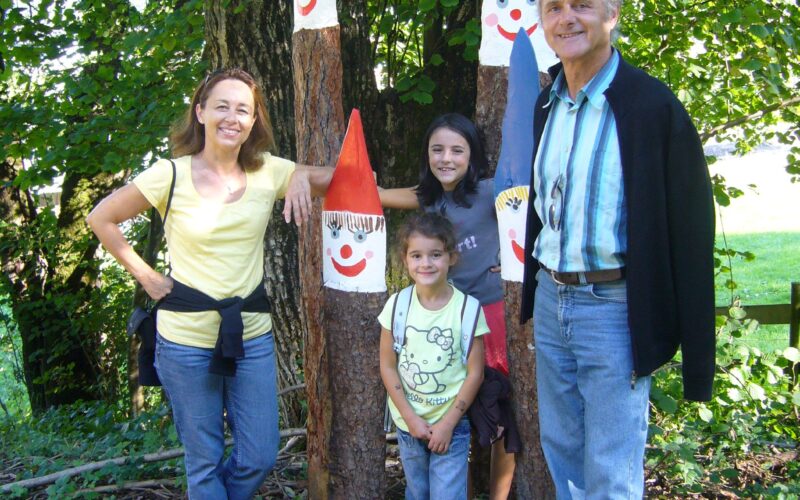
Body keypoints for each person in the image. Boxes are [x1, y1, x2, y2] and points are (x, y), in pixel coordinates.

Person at [87, 68, 332, 499]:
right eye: (222, 106)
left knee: (259, 455)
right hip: (184, 341)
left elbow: (340, 178)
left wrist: (300, 173)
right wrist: (145, 274)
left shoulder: (269, 170)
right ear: (200, 112)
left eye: (243, 109)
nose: (232, 117)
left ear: (254, 121)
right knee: (204, 462)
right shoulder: (170, 174)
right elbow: (100, 218)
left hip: (251, 337)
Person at [520, 0, 716, 497]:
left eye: (582, 5)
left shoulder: (651, 106)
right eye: (553, 8)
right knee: (560, 447)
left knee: (610, 465)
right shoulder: (547, 104)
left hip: (613, 308)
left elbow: (690, 228)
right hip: (550, 296)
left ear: (613, 13)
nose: (566, 18)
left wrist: (695, 348)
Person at [380, 113, 517, 498]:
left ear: (472, 156)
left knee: (499, 412)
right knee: (453, 412)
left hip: (488, 314)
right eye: (437, 149)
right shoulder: (428, 199)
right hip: (443, 319)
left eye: (457, 150)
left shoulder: (492, 190)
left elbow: (535, 204)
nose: (446, 158)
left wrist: (517, 260)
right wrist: (303, 176)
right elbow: (372, 193)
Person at [379, 212, 487, 499]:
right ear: (405, 260)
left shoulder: (468, 310)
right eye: (416, 255)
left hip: (452, 424)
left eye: (435, 254)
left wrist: (448, 424)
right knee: (418, 492)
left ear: (451, 257)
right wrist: (410, 419)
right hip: (408, 424)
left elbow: (475, 372)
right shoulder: (397, 306)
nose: (425, 263)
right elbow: (388, 367)